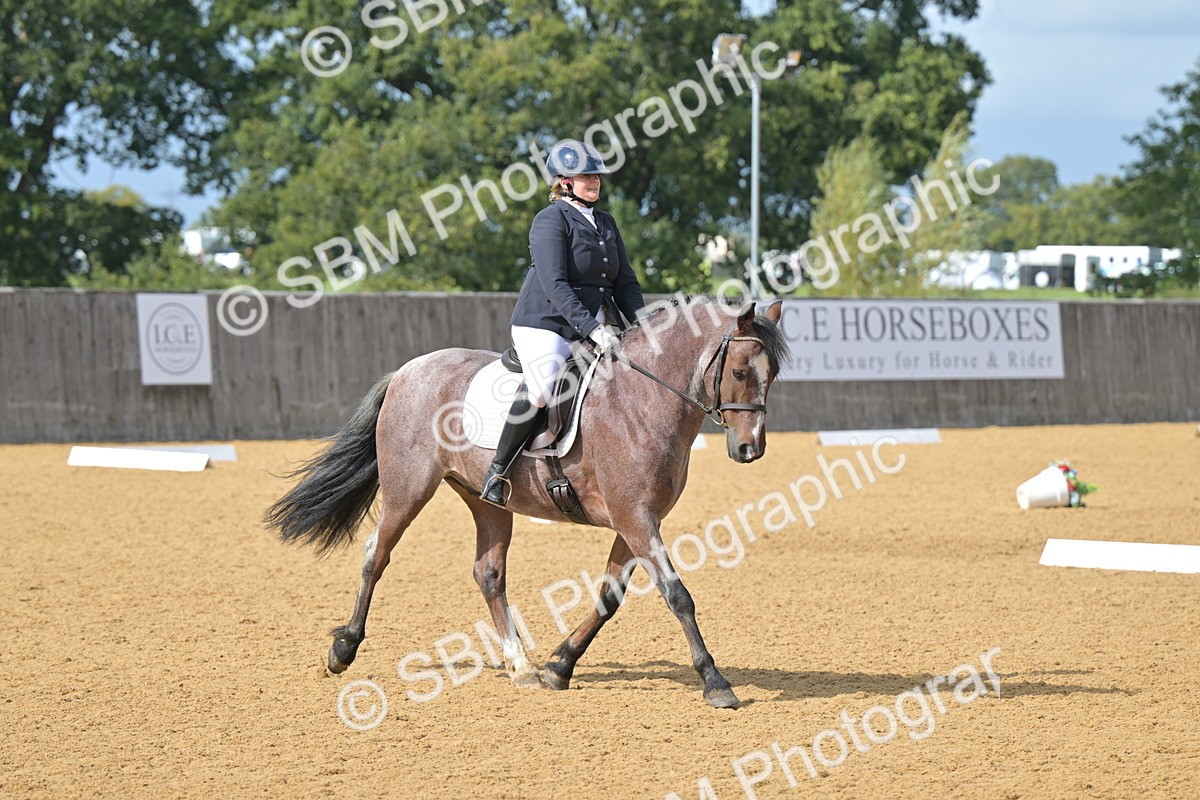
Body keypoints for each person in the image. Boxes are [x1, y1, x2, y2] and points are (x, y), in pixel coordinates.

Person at [479, 139, 647, 507]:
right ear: (565, 181)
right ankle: (498, 471)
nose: (595, 181)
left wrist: (644, 327)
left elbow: (625, 283)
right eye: (586, 176)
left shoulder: (605, 222)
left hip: (596, 318)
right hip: (546, 321)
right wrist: (592, 328)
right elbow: (555, 284)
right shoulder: (550, 220)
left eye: (597, 175)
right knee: (542, 387)